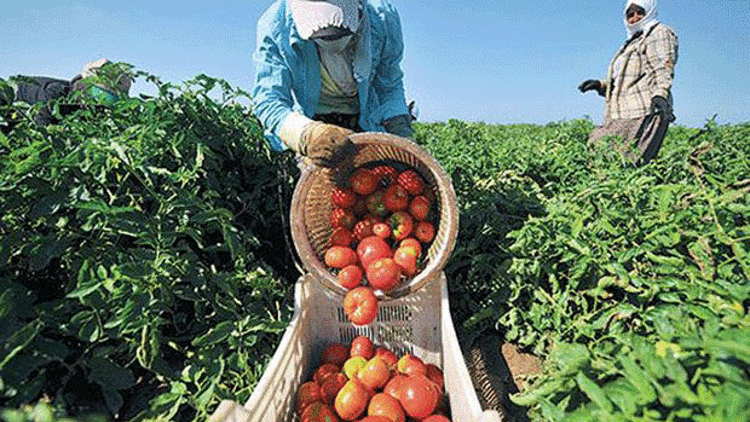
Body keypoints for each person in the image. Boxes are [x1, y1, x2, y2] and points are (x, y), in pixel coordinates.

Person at [252, 0, 413, 168]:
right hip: (313, 119)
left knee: (370, 180)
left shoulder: (383, 18)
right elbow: (269, 99)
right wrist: (307, 135)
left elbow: (388, 86)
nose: (329, 35)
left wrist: (399, 126)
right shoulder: (276, 24)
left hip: (365, 117)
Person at [578, 0, 678, 165]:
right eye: (630, 14)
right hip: (623, 111)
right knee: (606, 157)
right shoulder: (632, 41)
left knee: (619, 160)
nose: (635, 18)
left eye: (640, 12)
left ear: (650, 12)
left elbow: (663, 67)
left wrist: (660, 95)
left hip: (644, 109)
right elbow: (625, 79)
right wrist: (600, 85)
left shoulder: (658, 33)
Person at [0, 58, 133, 129]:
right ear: (86, 86)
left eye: (109, 100)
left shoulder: (85, 106)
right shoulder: (56, 95)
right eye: (100, 96)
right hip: (8, 99)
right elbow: (41, 127)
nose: (100, 103)